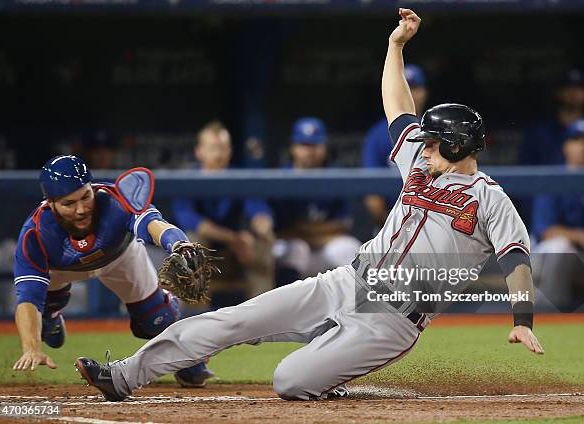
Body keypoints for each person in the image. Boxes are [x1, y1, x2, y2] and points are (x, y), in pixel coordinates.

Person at [76, 9, 543, 403]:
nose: (424, 147)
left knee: (290, 381)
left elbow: (517, 260)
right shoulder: (419, 166)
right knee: (233, 318)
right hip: (347, 282)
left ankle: (329, 363)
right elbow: (397, 108)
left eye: (435, 143)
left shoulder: (489, 198)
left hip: (393, 320)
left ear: (460, 145)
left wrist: (522, 320)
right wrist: (395, 47)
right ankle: (122, 378)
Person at [12, 155, 214, 388]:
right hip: (60, 270)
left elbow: (153, 224)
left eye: (85, 196)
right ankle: (52, 318)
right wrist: (32, 349)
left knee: (156, 319)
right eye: (68, 203)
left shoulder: (116, 202)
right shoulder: (35, 234)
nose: (80, 210)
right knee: (44, 319)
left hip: (119, 257)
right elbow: (28, 298)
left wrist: (179, 245)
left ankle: (190, 365)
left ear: (91, 188)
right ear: (50, 203)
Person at [172, 121, 275, 299]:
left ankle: (264, 315)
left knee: (264, 240)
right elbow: (193, 222)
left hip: (237, 255)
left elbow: (259, 210)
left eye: (224, 148)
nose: (219, 154)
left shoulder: (239, 178)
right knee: (192, 244)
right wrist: (234, 238)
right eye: (213, 148)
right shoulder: (186, 180)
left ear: (230, 151)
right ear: (199, 151)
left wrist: (262, 229)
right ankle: (193, 317)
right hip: (207, 254)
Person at [272, 117, 361, 283]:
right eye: (304, 145)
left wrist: (303, 230)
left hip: (324, 248)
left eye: (315, 145)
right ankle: (288, 306)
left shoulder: (336, 176)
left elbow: (342, 226)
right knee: (294, 249)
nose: (310, 151)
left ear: (324, 147)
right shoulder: (280, 178)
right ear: (293, 148)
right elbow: (280, 231)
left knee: (352, 249)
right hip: (295, 248)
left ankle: (352, 308)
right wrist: (316, 231)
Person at [531, 118, 584, 310]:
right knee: (559, 246)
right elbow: (544, 230)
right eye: (577, 139)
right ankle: (548, 313)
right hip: (553, 255)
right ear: (566, 146)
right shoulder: (554, 179)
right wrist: (580, 236)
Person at [362, 64, 428, 226]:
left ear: (424, 93)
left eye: (414, 88)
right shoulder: (377, 135)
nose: (409, 95)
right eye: (404, 88)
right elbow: (372, 194)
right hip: (393, 222)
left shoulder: (436, 129)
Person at [520, 69, 584, 165]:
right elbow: (523, 172)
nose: (574, 92)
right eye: (568, 87)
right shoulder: (540, 134)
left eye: (579, 87)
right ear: (558, 92)